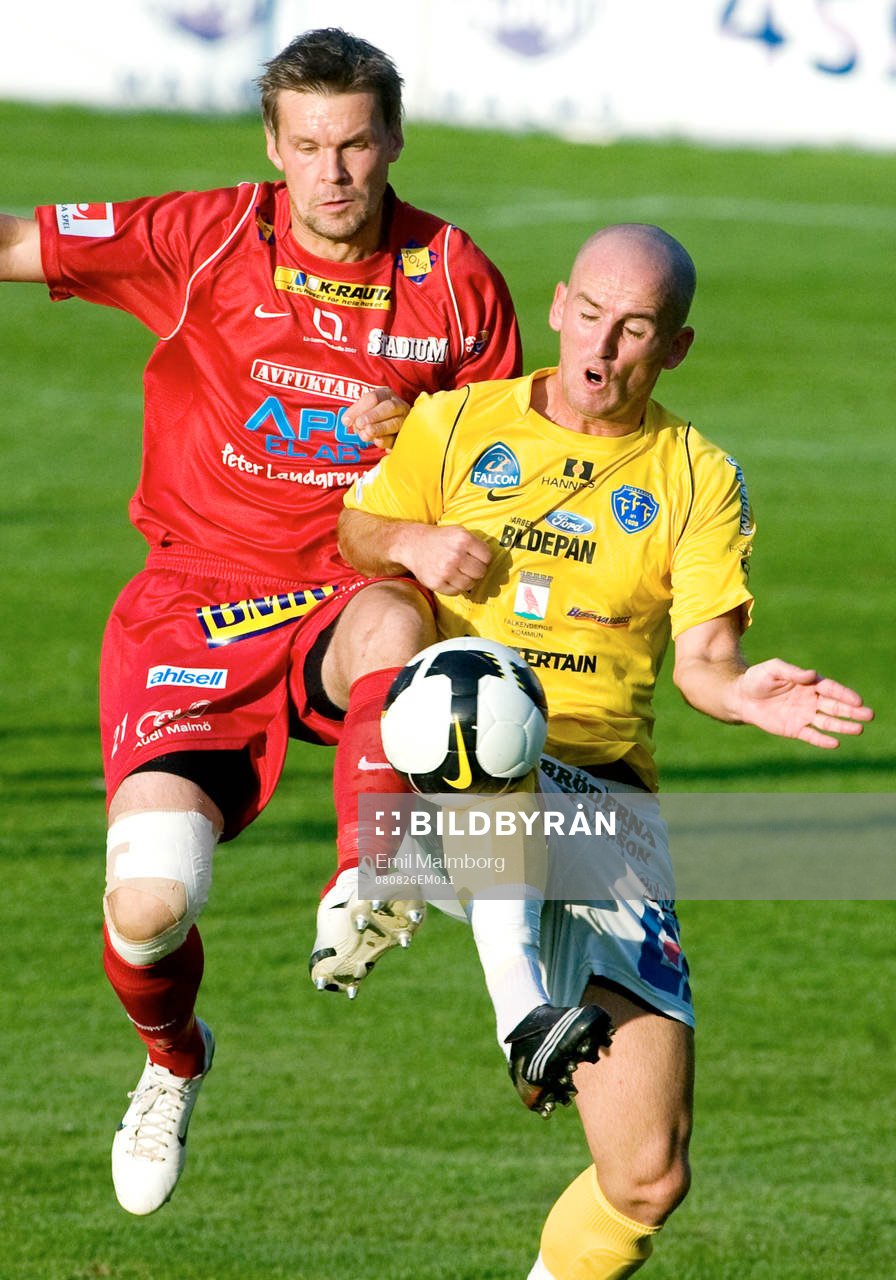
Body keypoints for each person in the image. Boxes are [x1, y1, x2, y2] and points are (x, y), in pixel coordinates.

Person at [0, 27, 523, 1216]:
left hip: (346, 589)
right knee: (149, 905)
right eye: (307, 147)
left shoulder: (454, 279)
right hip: (191, 606)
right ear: (272, 147)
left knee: (395, 617)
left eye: (353, 143)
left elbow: (499, 474)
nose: (332, 172)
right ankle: (174, 1058)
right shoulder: (203, 236)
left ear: (391, 138)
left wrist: (429, 447)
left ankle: (369, 873)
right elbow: (20, 240)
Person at [338, 222, 874, 1279]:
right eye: (588, 316)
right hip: (435, 776)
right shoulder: (454, 423)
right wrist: (407, 541)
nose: (601, 348)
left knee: (645, 1173)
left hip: (601, 808)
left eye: (633, 330)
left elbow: (704, 659)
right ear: (554, 306)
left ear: (672, 348)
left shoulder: (696, 475)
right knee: (489, 708)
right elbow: (363, 530)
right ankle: (472, 970)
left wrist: (738, 691)